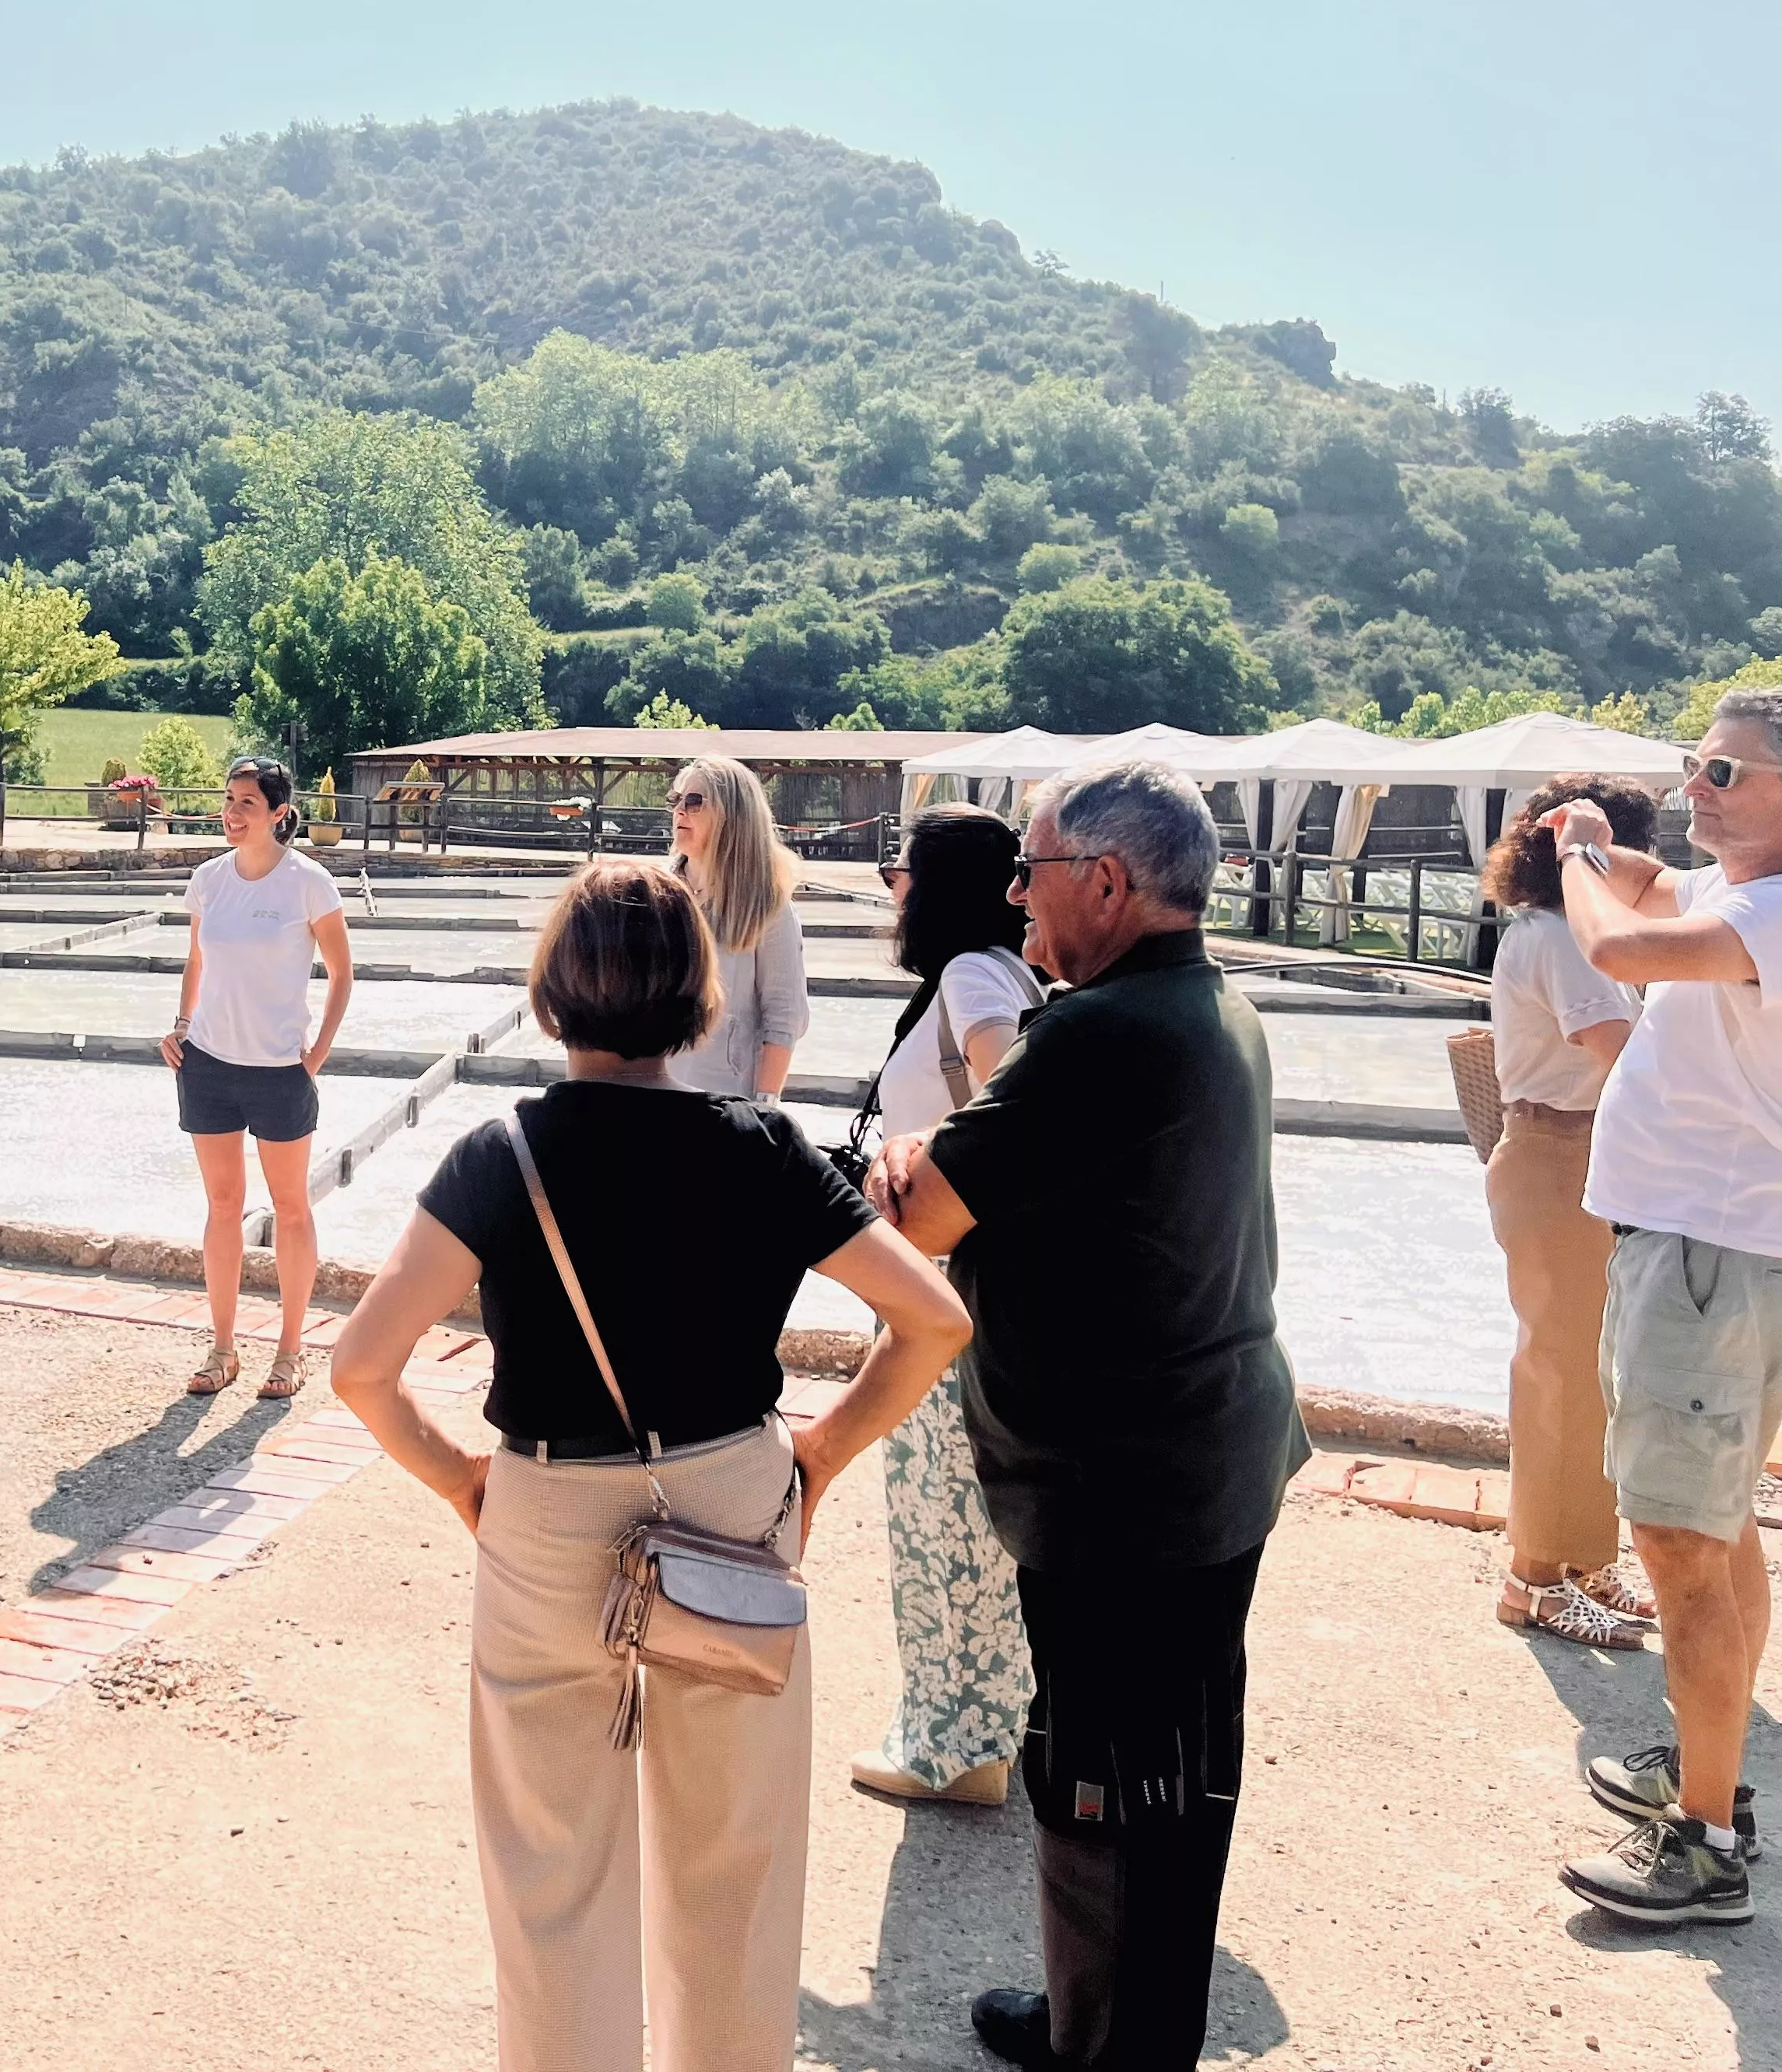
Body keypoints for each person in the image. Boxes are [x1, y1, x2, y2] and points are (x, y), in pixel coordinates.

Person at [331, 857, 971, 2072]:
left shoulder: (500, 1153)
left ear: (555, 995)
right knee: (733, 1856)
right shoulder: (761, 1145)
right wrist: (824, 1457)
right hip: (732, 1496)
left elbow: (364, 1370)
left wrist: (464, 1480)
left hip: (544, 1510)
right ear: (699, 999)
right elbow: (935, 1317)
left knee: (549, 1866)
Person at [875, 761, 1307, 2072]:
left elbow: (917, 1213)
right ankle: (1098, 2022)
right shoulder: (1207, 1002)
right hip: (1198, 1452)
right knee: (1153, 1777)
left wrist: (909, 1152)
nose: (1014, 894)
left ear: (1106, 881)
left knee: (1114, 1784)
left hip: (1130, 1478)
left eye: (1034, 867)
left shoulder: (1097, 1033)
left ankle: (1113, 2043)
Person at [1546, 685, 1782, 1927]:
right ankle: (1710, 1768)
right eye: (1698, 765)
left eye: (1728, 775)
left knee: (1679, 1542)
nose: (1699, 789)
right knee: (1716, 1525)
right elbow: (1651, 888)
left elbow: (1619, 945)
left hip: (1712, 1255)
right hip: (1697, 1248)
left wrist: (1577, 861)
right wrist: (1603, 846)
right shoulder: (1743, 893)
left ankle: (1708, 1845)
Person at [847, 805, 1041, 1810]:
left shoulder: (972, 978)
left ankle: (953, 1744)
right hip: (975, 1280)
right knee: (979, 1516)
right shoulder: (1005, 970)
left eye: (905, 868)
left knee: (939, 1516)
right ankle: (991, 1725)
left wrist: (926, 1167)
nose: (893, 885)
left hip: (946, 1276)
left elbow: (1014, 1101)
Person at [1478, 774, 1661, 1648]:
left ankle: (1579, 1557)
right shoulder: (1560, 940)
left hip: (1573, 1154)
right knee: (1561, 1372)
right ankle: (1535, 1576)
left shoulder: (1548, 933)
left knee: (1590, 1374)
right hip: (1562, 1152)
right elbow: (1623, 1057)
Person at [159, 756, 354, 1401]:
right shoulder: (209, 879)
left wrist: (316, 1054)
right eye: (229, 799)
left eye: (247, 802)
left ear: (279, 813)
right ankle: (222, 1350)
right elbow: (197, 960)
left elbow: (341, 974)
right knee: (221, 1207)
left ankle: (291, 1352)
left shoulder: (308, 883)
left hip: (280, 1069)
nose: (232, 812)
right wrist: (182, 1024)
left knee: (292, 1209)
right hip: (209, 1063)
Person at [662, 753, 809, 1098]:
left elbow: (785, 1019)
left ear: (733, 815)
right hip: (650, 1098)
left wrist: (763, 1110)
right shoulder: (657, 894)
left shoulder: (769, 908)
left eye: (694, 801)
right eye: (676, 799)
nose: (679, 810)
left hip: (725, 1109)